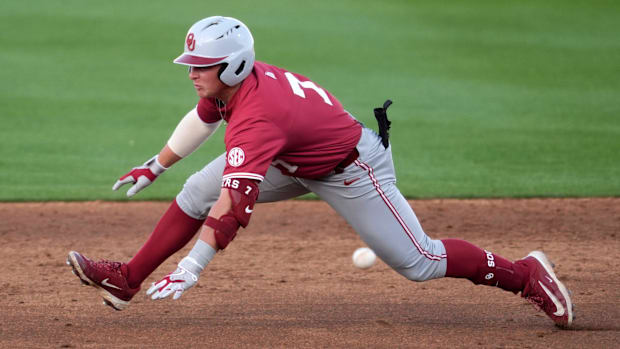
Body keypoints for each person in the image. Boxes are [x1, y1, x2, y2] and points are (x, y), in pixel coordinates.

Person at [66, 16, 574, 328]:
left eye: (203, 64)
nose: (193, 72)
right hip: (294, 157)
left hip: (352, 169)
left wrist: (193, 268)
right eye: (192, 63)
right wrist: (156, 166)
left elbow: (233, 208)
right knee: (198, 187)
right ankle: (128, 279)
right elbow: (201, 119)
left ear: (235, 66)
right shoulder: (231, 89)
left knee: (417, 261)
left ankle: (526, 275)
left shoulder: (259, 117)